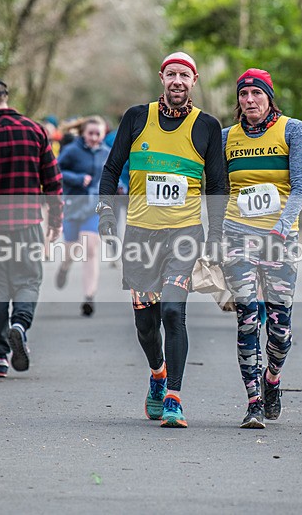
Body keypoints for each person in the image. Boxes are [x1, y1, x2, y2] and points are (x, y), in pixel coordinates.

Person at [97, 52, 226, 428]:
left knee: (173, 311)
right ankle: (157, 374)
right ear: (162, 78)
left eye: (184, 75)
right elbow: (111, 169)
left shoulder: (207, 126)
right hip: (140, 235)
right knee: (145, 324)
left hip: (184, 235)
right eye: (172, 74)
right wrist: (105, 213)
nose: (177, 81)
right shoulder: (137, 118)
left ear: (194, 80)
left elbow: (217, 186)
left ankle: (174, 397)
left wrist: (215, 236)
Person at [220, 68, 302, 428]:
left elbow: (300, 185)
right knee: (246, 319)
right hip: (237, 235)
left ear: (269, 97)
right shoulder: (227, 137)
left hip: (279, 238)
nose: (250, 100)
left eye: (256, 93)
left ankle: (272, 378)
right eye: (243, 95)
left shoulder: (292, 129)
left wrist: (281, 226)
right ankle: (254, 402)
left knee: (280, 329)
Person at [0, 76, 63, 378]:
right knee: (29, 280)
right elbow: (53, 181)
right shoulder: (35, 130)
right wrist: (55, 222)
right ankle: (19, 325)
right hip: (29, 222)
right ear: (5, 97)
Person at [55, 115, 110, 316]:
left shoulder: (107, 153)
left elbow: (113, 177)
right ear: (83, 133)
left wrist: (119, 188)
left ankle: (89, 297)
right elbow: (56, 170)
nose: (94, 138)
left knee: (90, 249)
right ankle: (64, 267)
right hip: (72, 205)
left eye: (98, 134)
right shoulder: (72, 151)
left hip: (94, 208)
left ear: (104, 134)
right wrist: (77, 178)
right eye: (91, 133)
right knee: (72, 249)